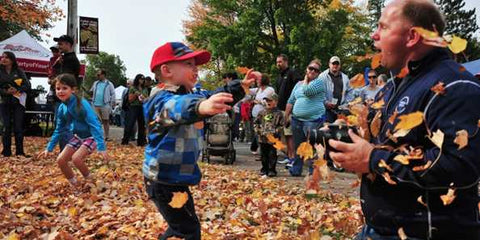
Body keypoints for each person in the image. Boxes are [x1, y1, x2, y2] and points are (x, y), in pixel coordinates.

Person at [328, 0, 480, 239]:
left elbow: (459, 167)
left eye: (383, 27)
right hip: (378, 229)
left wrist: (372, 158)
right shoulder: (390, 89)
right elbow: (383, 145)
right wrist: (349, 139)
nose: (374, 35)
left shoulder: (454, 86)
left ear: (411, 37)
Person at [143, 42, 254, 240]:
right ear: (167, 70)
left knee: (182, 226)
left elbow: (214, 95)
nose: (196, 69)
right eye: (188, 64)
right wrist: (201, 107)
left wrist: (239, 87)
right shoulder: (159, 99)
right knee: (187, 230)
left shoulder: (193, 94)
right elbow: (176, 108)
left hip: (175, 178)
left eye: (196, 64)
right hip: (163, 179)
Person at [38, 74, 108, 187]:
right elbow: (59, 129)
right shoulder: (62, 107)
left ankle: (90, 180)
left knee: (76, 159)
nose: (61, 91)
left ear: (73, 90)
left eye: (65, 88)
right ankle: (75, 184)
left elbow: (95, 124)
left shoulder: (82, 104)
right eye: (58, 88)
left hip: (91, 136)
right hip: (78, 136)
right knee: (60, 160)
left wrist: (101, 146)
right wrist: (49, 148)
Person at [285, 59, 327, 176]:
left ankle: (312, 172)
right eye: (310, 68)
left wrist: (305, 80)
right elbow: (291, 100)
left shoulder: (319, 82)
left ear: (319, 73)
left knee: (312, 146)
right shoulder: (298, 84)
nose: (313, 71)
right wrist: (286, 116)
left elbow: (307, 91)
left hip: (313, 120)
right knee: (299, 146)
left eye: (316, 70)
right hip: (297, 120)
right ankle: (296, 169)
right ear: (306, 69)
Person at [0, 51, 31, 157]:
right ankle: (6, 152)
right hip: (4, 102)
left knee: (18, 127)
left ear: (12, 60)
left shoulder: (19, 71)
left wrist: (17, 89)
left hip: (18, 102)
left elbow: (27, 85)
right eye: (2, 57)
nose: (3, 59)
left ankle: (20, 152)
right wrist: (5, 92)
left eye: (6, 57)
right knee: (6, 126)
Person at [275, 54, 301, 164]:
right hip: (281, 109)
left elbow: (299, 85)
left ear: (286, 62)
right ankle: (289, 156)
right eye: (277, 62)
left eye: (280, 62)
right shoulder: (279, 76)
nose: (278, 64)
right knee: (285, 135)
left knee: (290, 135)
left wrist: (294, 104)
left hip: (290, 109)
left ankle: (293, 158)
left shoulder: (292, 73)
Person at [254, 93, 284, 177]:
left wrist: (276, 131)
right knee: (263, 154)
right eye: (266, 100)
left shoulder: (279, 113)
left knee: (272, 154)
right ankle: (264, 169)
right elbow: (256, 123)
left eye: (270, 100)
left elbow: (282, 125)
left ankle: (272, 170)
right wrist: (258, 130)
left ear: (276, 102)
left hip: (273, 139)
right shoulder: (262, 112)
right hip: (262, 138)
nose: (268, 102)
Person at [319, 56, 353, 123]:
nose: (335, 65)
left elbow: (350, 91)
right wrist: (325, 102)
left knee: (340, 129)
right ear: (329, 64)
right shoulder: (322, 76)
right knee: (327, 129)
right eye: (333, 63)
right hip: (326, 110)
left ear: (340, 65)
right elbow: (319, 92)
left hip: (341, 110)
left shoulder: (345, 77)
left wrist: (346, 103)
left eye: (337, 64)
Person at [249, 74, 275, 155]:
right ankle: (260, 150)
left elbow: (271, 101)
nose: (256, 81)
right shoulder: (258, 90)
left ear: (263, 80)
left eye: (258, 80)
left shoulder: (270, 90)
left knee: (264, 132)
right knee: (257, 132)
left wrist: (258, 101)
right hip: (256, 114)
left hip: (266, 115)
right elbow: (248, 91)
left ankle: (264, 151)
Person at [121, 74, 148, 146]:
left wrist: (144, 98)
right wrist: (136, 95)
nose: (142, 81)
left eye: (143, 79)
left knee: (142, 125)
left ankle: (141, 141)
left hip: (142, 107)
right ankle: (125, 140)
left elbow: (147, 98)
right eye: (140, 79)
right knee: (130, 124)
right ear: (137, 79)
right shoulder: (132, 88)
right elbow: (130, 100)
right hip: (133, 107)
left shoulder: (145, 89)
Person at [90, 69, 115, 141]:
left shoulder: (109, 84)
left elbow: (113, 93)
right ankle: (97, 135)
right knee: (96, 120)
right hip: (95, 104)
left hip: (105, 104)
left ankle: (107, 136)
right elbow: (91, 91)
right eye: (97, 75)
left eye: (99, 74)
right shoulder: (95, 83)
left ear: (103, 75)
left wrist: (112, 102)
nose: (97, 76)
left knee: (105, 120)